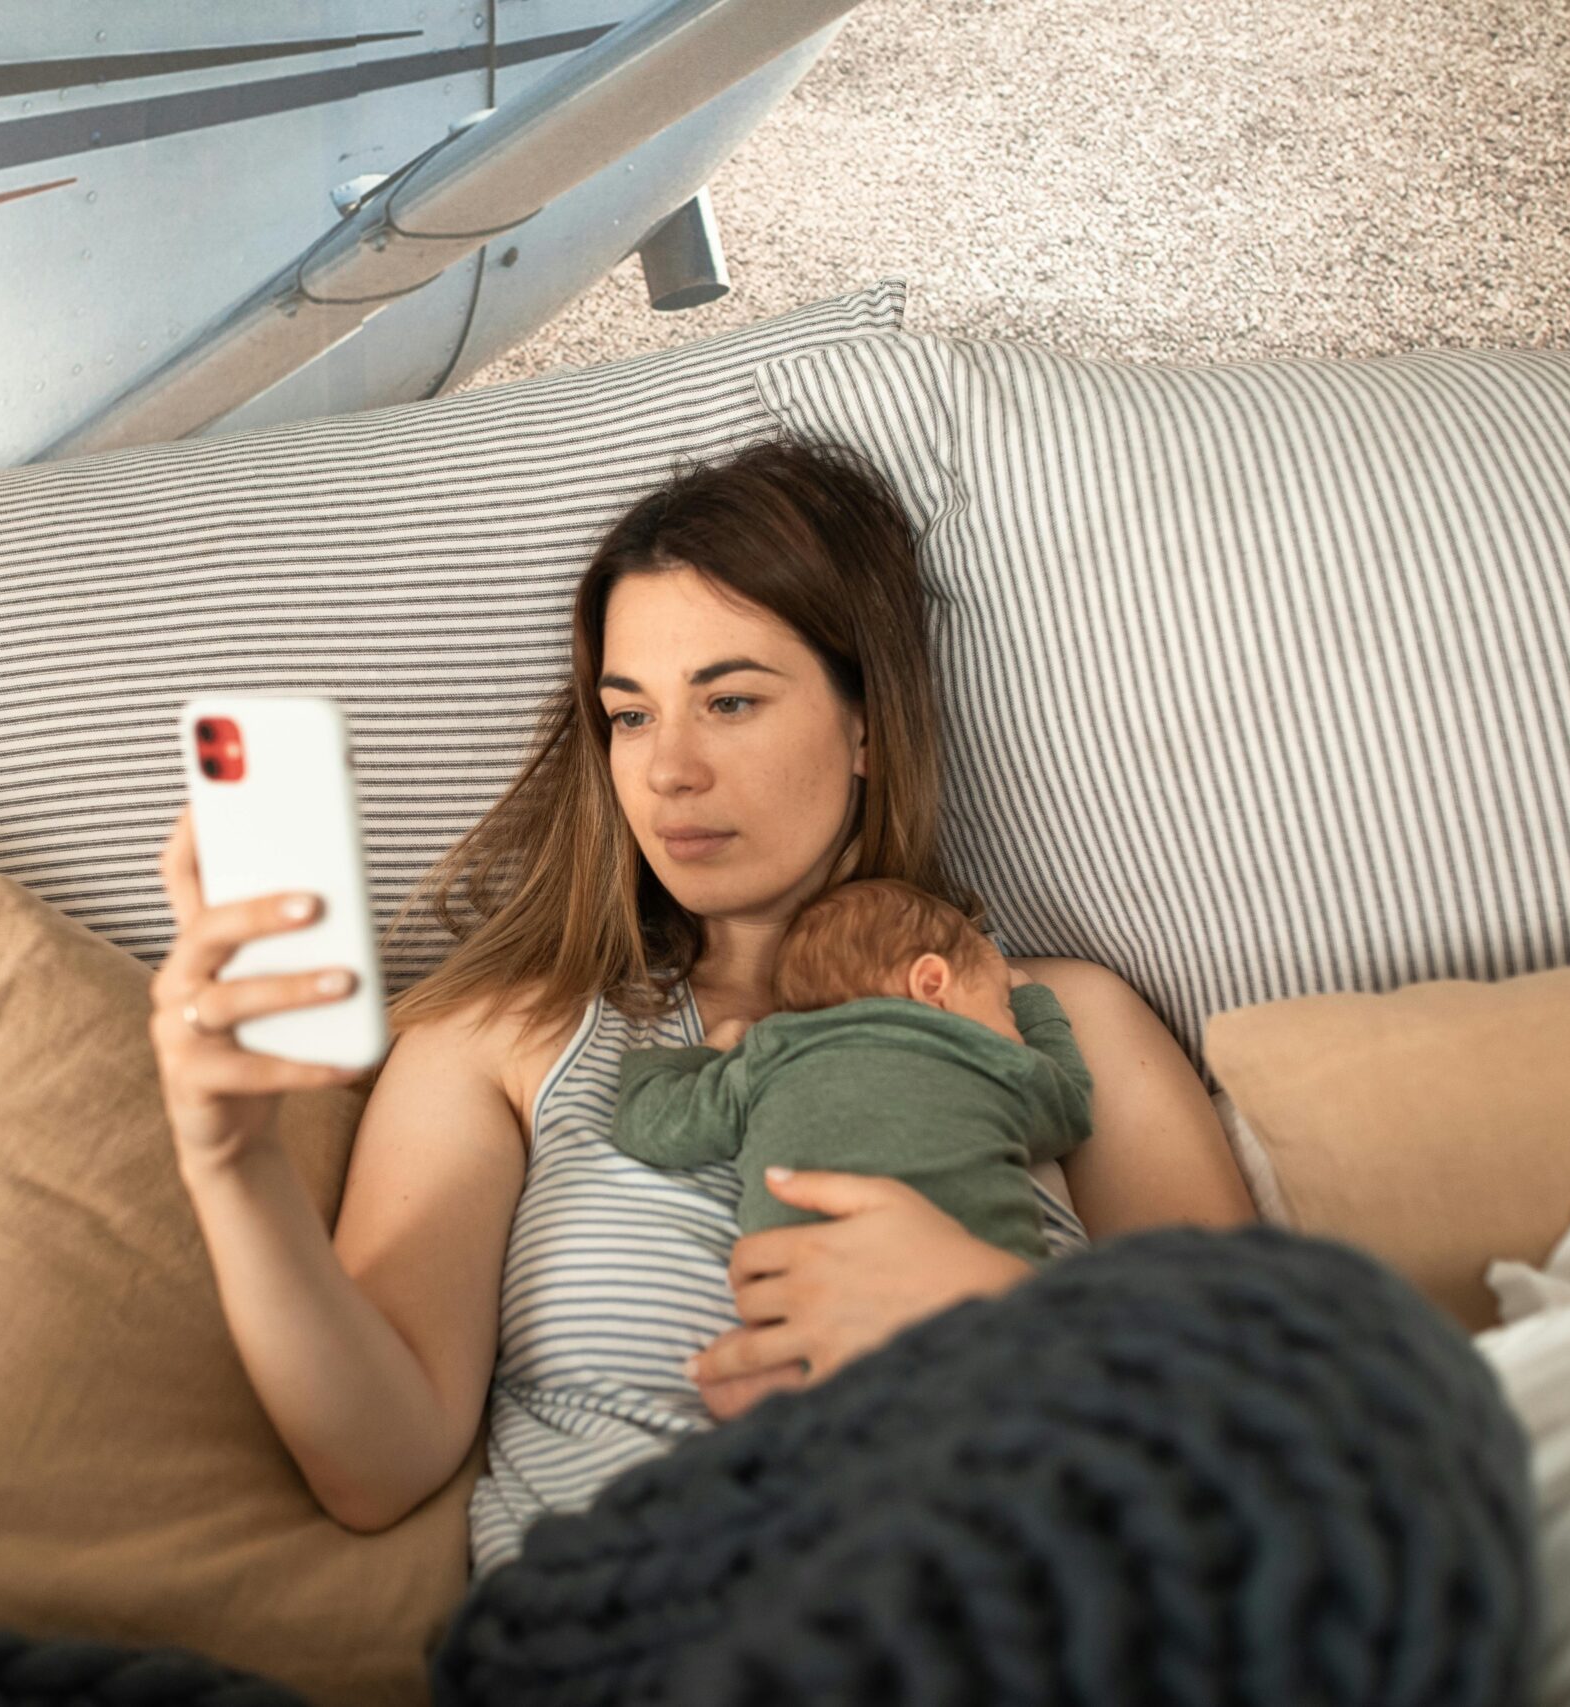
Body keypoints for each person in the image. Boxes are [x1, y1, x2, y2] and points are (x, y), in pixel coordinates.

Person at [145, 437, 1254, 1574]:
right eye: (630, 715)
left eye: (729, 700)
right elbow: (376, 1467)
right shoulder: (499, 1040)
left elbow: (1263, 1417)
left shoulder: (1054, 1019)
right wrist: (233, 1167)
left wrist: (999, 1314)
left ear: (867, 727)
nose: (668, 769)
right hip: (639, 1622)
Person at [609, 877, 1095, 1265]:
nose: (1011, 1028)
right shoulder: (982, 1053)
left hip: (812, 1305)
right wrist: (1033, 1005)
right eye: (1002, 1004)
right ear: (932, 985)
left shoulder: (770, 1054)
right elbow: (1069, 1109)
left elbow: (652, 1126)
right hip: (981, 1292)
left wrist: (708, 1052)